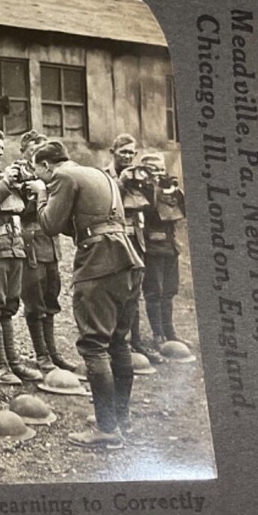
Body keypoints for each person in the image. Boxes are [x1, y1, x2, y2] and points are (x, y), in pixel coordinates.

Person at [30, 140, 144, 449]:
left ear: (46, 166)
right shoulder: (98, 174)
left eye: (38, 171)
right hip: (127, 260)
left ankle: (107, 431)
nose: (39, 176)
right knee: (119, 342)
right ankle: (119, 419)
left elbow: (50, 225)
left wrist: (41, 194)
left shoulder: (62, 177)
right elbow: (80, 223)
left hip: (99, 263)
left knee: (94, 345)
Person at [0, 125, 43, 385]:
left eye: (2, 148)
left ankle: (13, 362)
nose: (0, 152)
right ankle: (0, 366)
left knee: (10, 305)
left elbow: (21, 208)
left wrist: (23, 186)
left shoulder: (1, 174)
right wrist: (6, 182)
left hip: (14, 244)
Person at [18, 131, 76, 372]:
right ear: (24, 152)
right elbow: (19, 210)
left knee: (51, 297)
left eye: (42, 149)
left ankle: (53, 352)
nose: (38, 155)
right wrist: (40, 195)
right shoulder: (18, 175)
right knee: (34, 301)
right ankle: (41, 354)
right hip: (30, 243)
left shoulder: (54, 176)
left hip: (51, 244)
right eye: (33, 150)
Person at [104, 133, 159, 362]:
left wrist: (150, 184)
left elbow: (152, 208)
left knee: (135, 292)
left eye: (131, 153)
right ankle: (116, 343)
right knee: (117, 291)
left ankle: (135, 342)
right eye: (123, 152)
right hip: (115, 241)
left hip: (136, 239)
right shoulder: (104, 176)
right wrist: (121, 182)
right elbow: (105, 202)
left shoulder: (138, 175)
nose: (127, 156)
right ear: (113, 152)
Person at [138, 152, 187, 348]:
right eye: (154, 169)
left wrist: (174, 190)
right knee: (154, 292)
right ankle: (158, 334)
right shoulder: (141, 189)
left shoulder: (168, 189)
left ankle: (170, 332)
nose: (159, 173)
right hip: (152, 247)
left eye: (161, 169)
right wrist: (155, 188)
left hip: (170, 246)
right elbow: (152, 212)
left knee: (169, 291)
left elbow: (182, 212)